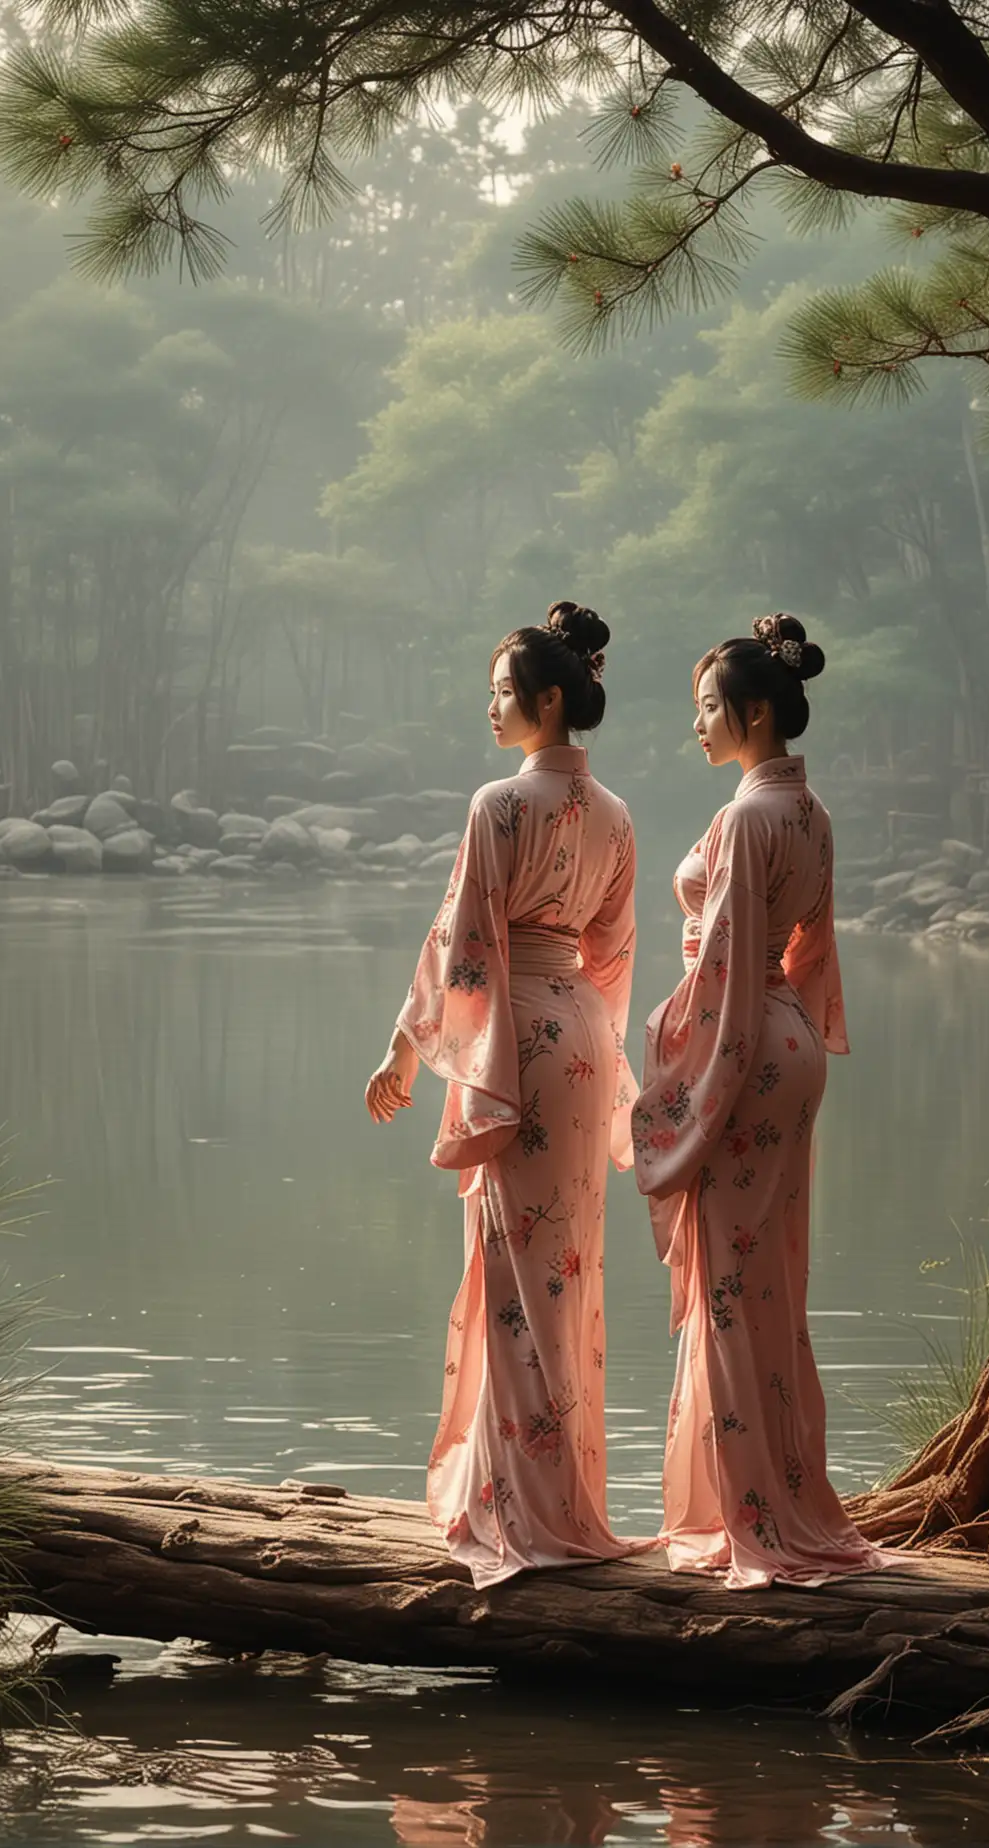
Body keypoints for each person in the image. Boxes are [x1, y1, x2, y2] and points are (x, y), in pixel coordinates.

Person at [366, 601, 639, 1588]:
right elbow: (612, 955)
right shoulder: (614, 815)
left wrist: (407, 1047)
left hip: (517, 1035)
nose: (490, 709)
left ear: (549, 698)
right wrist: (596, 1047)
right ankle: (555, 1496)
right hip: (581, 1036)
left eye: (501, 693)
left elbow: (463, 946)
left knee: (518, 1276)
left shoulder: (499, 806)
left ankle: (518, 1508)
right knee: (562, 1272)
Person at [632, 614, 891, 1587]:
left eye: (707, 710)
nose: (696, 726)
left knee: (736, 1292)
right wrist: (800, 1033)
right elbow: (804, 953)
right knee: (765, 1284)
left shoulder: (748, 817)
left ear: (751, 713)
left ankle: (755, 1522)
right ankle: (765, 1499)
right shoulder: (808, 810)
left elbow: (733, 971)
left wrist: (691, 1095)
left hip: (750, 1050)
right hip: (794, 1044)